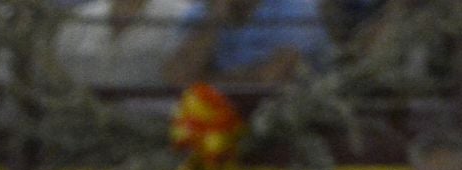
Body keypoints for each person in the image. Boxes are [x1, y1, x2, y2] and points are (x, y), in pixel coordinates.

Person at [163, 0, 331, 87]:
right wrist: (215, 18)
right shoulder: (202, 11)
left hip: (286, 124)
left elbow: (271, 80)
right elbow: (177, 78)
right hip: (214, 122)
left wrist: (200, 84)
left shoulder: (295, 6)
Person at [53, 0, 192, 90]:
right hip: (82, 122)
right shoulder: (81, 18)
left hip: (154, 124)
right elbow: (60, 71)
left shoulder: (182, 15)